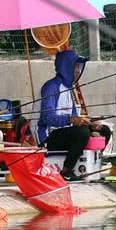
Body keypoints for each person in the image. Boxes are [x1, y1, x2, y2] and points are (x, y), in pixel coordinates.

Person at [36, 47, 107, 178]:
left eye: (79, 68)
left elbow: (75, 117)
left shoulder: (69, 88)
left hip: (67, 134)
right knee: (82, 132)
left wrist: (90, 124)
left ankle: (92, 164)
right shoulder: (51, 87)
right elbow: (47, 118)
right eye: (75, 67)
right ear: (66, 67)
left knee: (104, 130)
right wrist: (71, 120)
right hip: (48, 137)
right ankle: (66, 170)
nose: (77, 72)